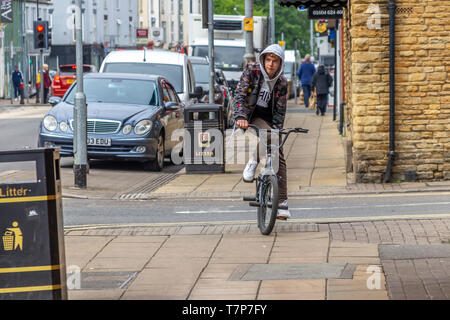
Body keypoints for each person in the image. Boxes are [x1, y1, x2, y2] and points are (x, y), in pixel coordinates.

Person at [233, 44, 290, 220]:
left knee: (278, 152)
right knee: (269, 135)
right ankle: (253, 161)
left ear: (280, 63)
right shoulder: (252, 70)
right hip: (250, 114)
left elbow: (280, 111)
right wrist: (240, 116)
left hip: (267, 118)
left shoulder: (281, 82)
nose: (271, 64)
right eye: (268, 59)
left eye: (275, 61)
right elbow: (240, 95)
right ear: (263, 59)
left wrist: (278, 131)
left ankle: (281, 203)